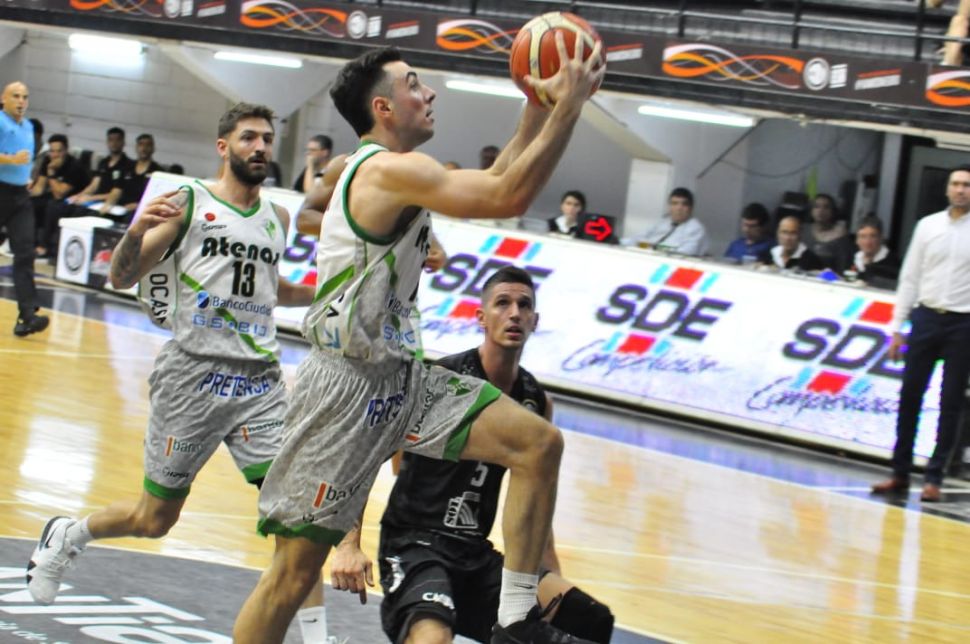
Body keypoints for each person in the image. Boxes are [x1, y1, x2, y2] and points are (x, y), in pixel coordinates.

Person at [233, 40, 605, 644]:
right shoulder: (383, 169)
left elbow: (500, 174)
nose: (428, 92)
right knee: (291, 574)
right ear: (382, 107)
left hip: (403, 380)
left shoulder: (395, 169)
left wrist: (538, 105)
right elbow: (507, 195)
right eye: (413, 84)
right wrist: (569, 106)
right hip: (345, 390)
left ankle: (514, 619)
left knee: (539, 444)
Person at [24, 103, 317, 614]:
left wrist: (329, 291)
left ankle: (314, 634)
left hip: (259, 382)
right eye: (248, 137)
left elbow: (272, 289)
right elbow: (122, 276)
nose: (260, 147)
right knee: (154, 519)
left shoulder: (278, 217)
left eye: (267, 139)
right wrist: (135, 232)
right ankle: (69, 534)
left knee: (297, 517)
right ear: (223, 147)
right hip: (192, 377)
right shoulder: (189, 203)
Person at [375, 266, 615, 644]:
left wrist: (551, 573)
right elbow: (385, 456)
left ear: (535, 321)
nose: (514, 313)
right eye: (503, 303)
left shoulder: (535, 400)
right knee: (433, 638)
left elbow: (536, 502)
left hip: (474, 555)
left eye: (524, 305)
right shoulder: (443, 377)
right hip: (416, 546)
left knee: (588, 618)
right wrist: (348, 544)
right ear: (481, 317)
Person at [871, 165, 970, 503]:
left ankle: (934, 477)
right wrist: (897, 328)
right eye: (956, 184)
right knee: (910, 395)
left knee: (951, 401)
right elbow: (910, 278)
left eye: (967, 185)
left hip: (963, 322)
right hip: (926, 317)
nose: (961, 190)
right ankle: (899, 472)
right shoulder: (928, 226)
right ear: (947, 189)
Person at [0, 81, 49, 337]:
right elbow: (15, 157)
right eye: (16, 96)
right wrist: (10, 159)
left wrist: (27, 177)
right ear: (3, 99)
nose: (21, 101)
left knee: (25, 253)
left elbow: (28, 159)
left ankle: (27, 315)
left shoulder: (28, 126)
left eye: (25, 97)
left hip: (20, 196)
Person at [32, 134, 90, 256]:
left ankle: (44, 246)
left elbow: (59, 194)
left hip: (75, 201)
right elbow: (39, 188)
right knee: (30, 204)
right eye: (52, 151)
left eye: (59, 151)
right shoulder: (48, 160)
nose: (55, 155)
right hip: (57, 197)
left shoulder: (74, 166)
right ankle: (29, 243)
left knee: (52, 205)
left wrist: (51, 172)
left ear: (66, 150)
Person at [634, 187, 709, 256]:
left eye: (684, 204)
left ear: (691, 208)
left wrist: (654, 247)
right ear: (669, 206)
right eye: (674, 203)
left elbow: (685, 252)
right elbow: (636, 239)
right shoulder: (662, 222)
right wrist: (646, 245)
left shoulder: (695, 228)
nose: (679, 208)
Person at [117, 133, 164, 221]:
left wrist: (139, 205)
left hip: (141, 210)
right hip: (120, 208)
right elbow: (117, 189)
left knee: (129, 218)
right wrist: (108, 205)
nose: (144, 148)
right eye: (141, 144)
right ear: (136, 147)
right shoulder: (127, 167)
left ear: (153, 148)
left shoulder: (158, 172)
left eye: (148, 145)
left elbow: (158, 197)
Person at [805, 193, 854, 272]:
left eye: (826, 207)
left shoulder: (840, 236)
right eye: (816, 206)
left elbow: (843, 267)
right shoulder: (804, 230)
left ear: (833, 211)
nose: (821, 210)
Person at [758, 215, 824, 271]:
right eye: (784, 232)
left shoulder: (811, 260)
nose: (788, 238)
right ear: (777, 234)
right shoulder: (769, 254)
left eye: (793, 233)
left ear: (800, 235)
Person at [848, 215, 899, 288]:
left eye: (873, 236)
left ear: (881, 238)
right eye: (863, 236)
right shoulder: (850, 259)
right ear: (857, 240)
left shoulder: (892, 264)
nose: (867, 242)